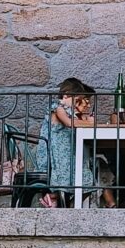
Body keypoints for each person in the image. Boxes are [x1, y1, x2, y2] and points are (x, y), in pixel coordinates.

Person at [34, 77, 96, 208]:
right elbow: (69, 123)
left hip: (66, 155)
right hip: (55, 155)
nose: (77, 104)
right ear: (66, 95)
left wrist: (84, 119)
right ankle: (53, 197)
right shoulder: (57, 108)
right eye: (76, 100)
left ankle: (69, 204)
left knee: (88, 181)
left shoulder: (71, 112)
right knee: (67, 176)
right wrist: (89, 123)